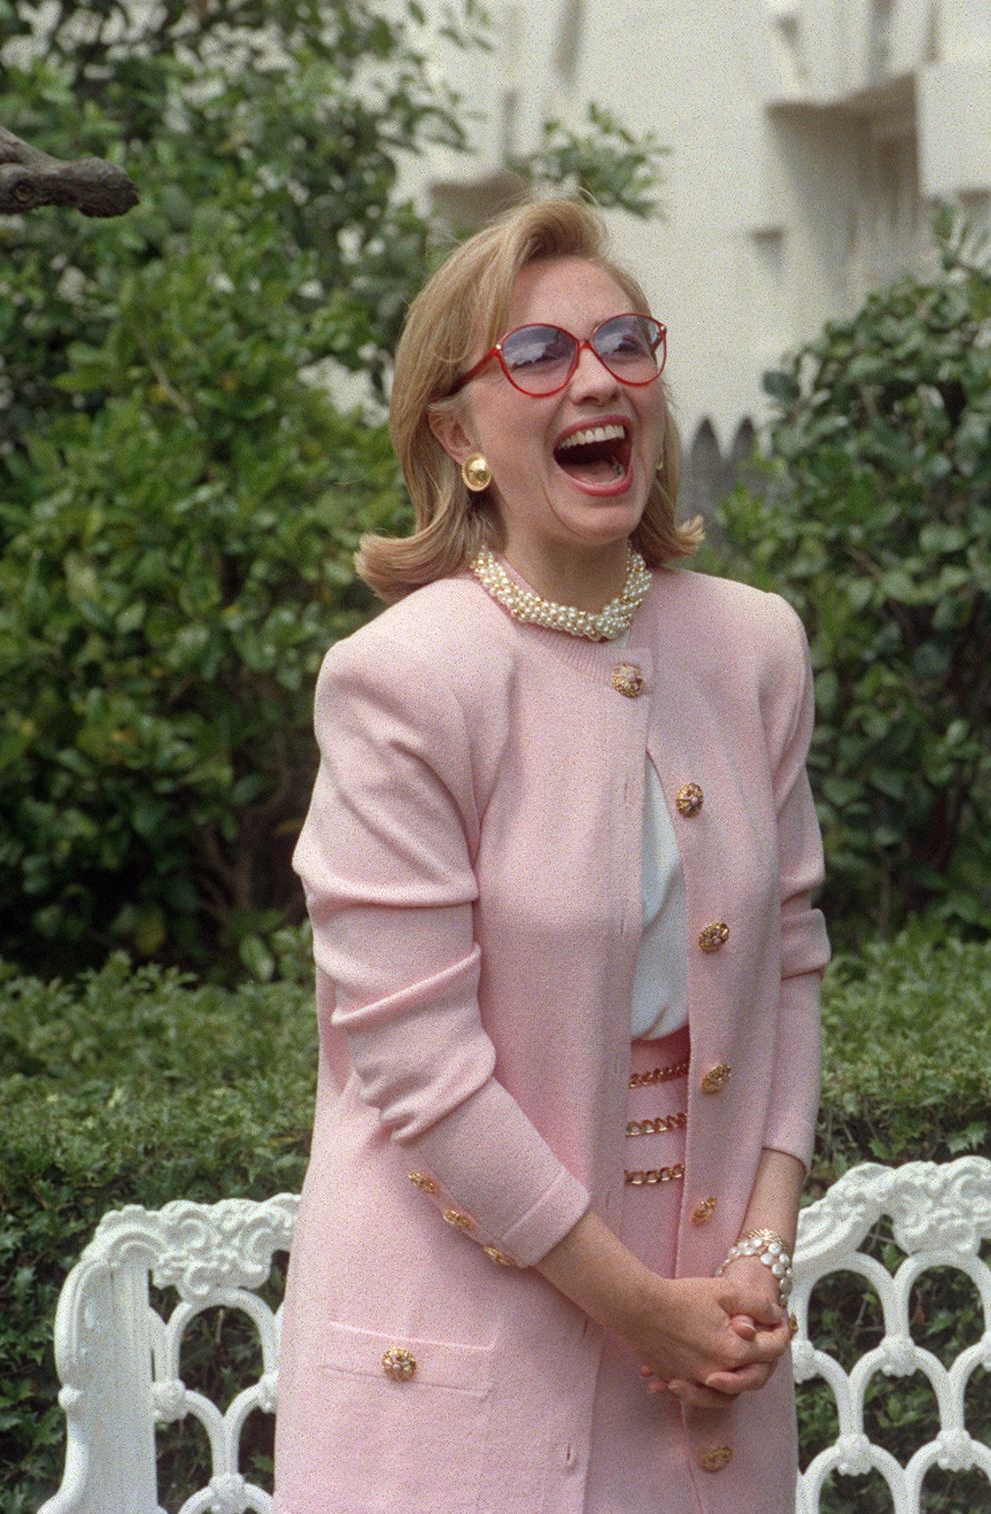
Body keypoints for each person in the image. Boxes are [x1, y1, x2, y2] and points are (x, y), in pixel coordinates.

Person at [273, 197, 830, 1514]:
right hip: (453, 1367)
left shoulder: (753, 649)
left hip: (705, 1360)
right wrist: (646, 1311)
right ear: (459, 435)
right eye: (537, 354)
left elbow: (792, 964)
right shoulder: (399, 683)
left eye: (624, 343)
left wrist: (758, 1249)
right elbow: (417, 1065)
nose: (596, 379)